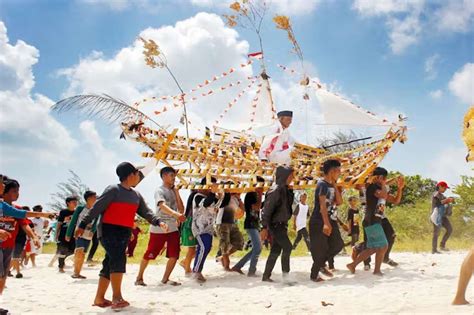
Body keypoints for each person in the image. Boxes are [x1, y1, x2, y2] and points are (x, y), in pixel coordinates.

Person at [75, 162, 168, 310]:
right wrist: (82, 224)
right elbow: (96, 207)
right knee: (118, 258)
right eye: (138, 175)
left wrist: (158, 221)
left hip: (124, 232)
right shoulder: (113, 190)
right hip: (108, 230)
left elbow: (146, 212)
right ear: (131, 175)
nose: (139, 178)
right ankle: (117, 297)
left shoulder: (136, 195)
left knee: (109, 262)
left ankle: (99, 298)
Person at [347, 167, 404, 276]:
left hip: (375, 220)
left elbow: (396, 200)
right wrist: (383, 184)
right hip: (371, 220)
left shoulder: (380, 188)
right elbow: (382, 195)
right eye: (383, 177)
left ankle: (353, 265)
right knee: (383, 246)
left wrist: (400, 189)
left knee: (374, 247)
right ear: (378, 177)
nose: (384, 179)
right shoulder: (372, 187)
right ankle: (376, 270)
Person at [135, 167, 185, 286]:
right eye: (172, 175)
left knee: (174, 254)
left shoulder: (174, 191)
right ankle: (139, 278)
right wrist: (175, 214)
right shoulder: (159, 190)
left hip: (173, 228)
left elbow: (181, 209)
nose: (174, 178)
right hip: (159, 227)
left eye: (174, 176)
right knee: (150, 253)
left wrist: (177, 192)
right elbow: (161, 206)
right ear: (164, 176)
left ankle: (165, 279)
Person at [0, 179, 40, 294]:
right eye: (14, 191)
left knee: (3, 276)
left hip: (9, 245)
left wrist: (34, 237)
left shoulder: (16, 208)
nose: (17, 194)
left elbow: (24, 224)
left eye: (18, 191)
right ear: (4, 192)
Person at [308, 159, 344, 282]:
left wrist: (334, 185)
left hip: (331, 218)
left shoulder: (331, 185)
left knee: (338, 244)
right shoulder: (321, 184)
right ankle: (314, 275)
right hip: (319, 220)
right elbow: (322, 206)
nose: (340, 173)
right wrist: (326, 223)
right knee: (321, 249)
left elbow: (339, 202)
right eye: (338, 171)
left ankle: (322, 264)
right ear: (332, 171)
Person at [261, 166, 295, 283]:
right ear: (285, 176)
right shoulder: (275, 190)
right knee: (288, 247)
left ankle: (266, 276)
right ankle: (286, 277)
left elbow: (288, 207)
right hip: (276, 225)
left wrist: (290, 191)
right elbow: (266, 210)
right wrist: (264, 227)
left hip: (282, 224)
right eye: (291, 175)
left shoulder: (284, 189)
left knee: (275, 250)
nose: (293, 178)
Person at [191, 177, 228, 283]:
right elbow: (205, 203)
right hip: (199, 228)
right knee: (204, 247)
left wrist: (221, 195)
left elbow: (222, 204)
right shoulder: (197, 196)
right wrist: (213, 193)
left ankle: (197, 269)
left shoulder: (212, 197)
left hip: (209, 228)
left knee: (206, 248)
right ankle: (196, 271)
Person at [231, 176, 265, 277]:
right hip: (250, 224)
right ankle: (251, 271)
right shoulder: (251, 194)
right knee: (258, 248)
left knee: (256, 248)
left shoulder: (254, 194)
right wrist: (260, 194)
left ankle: (238, 266)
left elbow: (259, 206)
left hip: (254, 224)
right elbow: (257, 207)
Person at [65, 190, 98, 279]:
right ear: (89, 199)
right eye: (95, 197)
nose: (96, 198)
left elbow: (96, 223)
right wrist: (68, 233)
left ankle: (78, 272)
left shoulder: (96, 210)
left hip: (88, 235)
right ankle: (75, 273)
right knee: (80, 250)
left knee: (83, 254)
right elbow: (73, 221)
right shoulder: (80, 208)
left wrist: (93, 231)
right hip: (78, 233)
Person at [215, 190, 244, 271]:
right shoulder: (224, 197)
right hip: (222, 223)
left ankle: (221, 258)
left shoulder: (235, 199)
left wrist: (239, 199)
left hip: (232, 223)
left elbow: (240, 215)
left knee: (239, 242)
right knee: (225, 245)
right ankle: (226, 266)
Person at [431, 181, 455, 254]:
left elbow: (445, 203)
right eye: (444, 188)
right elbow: (437, 204)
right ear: (440, 186)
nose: (445, 189)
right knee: (436, 232)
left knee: (450, 229)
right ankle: (434, 250)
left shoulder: (442, 196)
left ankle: (442, 245)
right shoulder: (435, 194)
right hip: (436, 216)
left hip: (443, 216)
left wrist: (451, 200)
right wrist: (447, 200)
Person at [56, 196, 78, 273]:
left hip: (73, 234)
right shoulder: (63, 212)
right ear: (68, 203)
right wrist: (56, 234)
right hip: (63, 234)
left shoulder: (77, 212)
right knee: (63, 250)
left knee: (72, 250)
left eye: (76, 202)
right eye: (73, 202)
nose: (75, 203)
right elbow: (59, 224)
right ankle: (61, 267)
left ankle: (63, 258)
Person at [179, 189, 198, 276]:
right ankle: (187, 268)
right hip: (190, 223)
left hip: (192, 222)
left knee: (197, 248)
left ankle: (185, 262)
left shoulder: (194, 195)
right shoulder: (195, 195)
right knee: (192, 248)